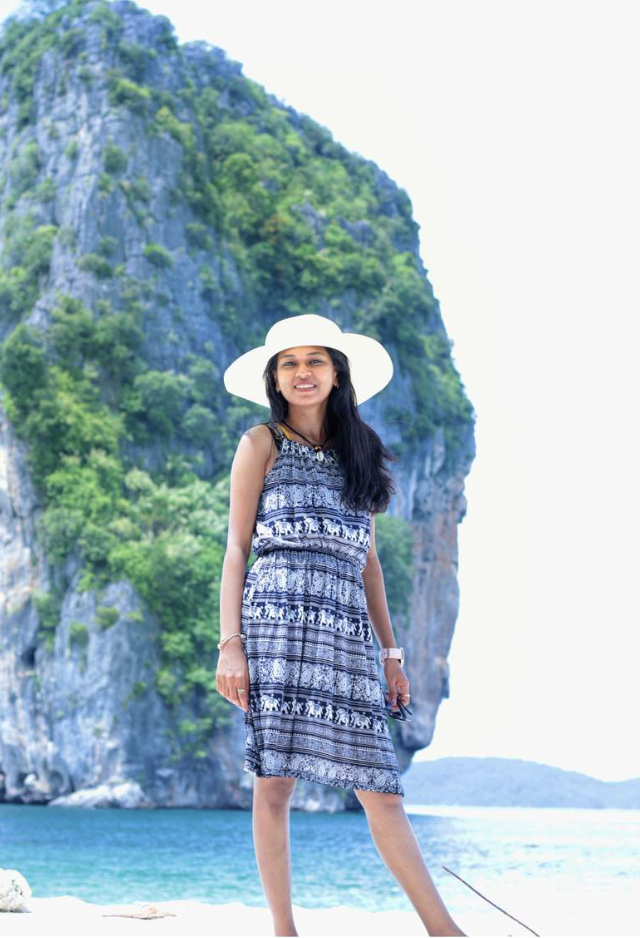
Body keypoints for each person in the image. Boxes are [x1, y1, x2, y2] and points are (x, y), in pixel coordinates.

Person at [217, 314, 466, 937]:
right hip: (274, 624)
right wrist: (231, 645)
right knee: (274, 784)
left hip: (346, 630)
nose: (302, 372)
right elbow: (237, 548)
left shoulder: (362, 450)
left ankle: (444, 931)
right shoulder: (261, 444)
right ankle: (285, 931)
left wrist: (391, 653)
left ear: (336, 373)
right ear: (275, 377)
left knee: (380, 787)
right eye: (289, 363)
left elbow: (369, 562)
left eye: (315, 361)